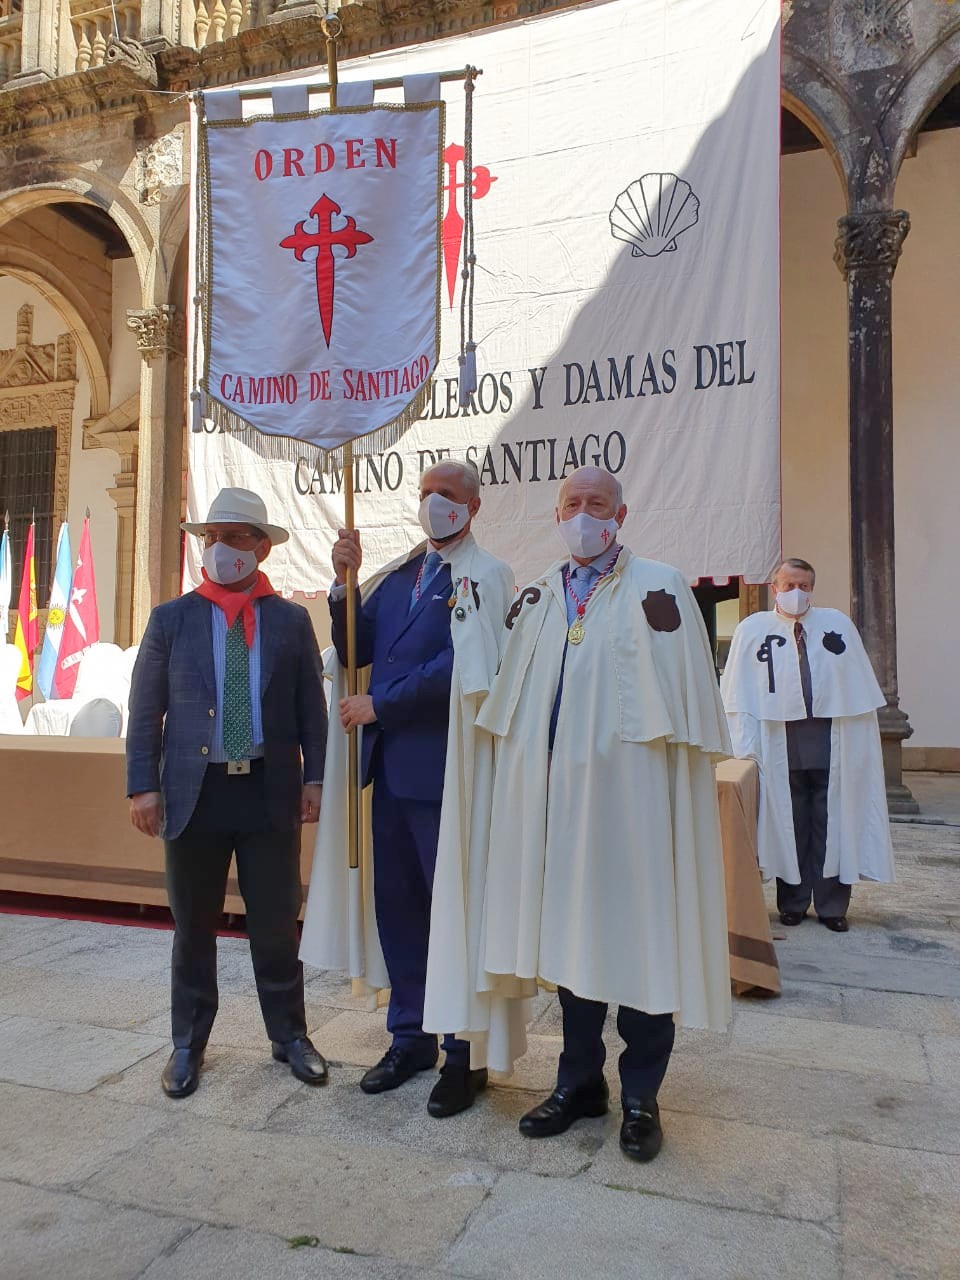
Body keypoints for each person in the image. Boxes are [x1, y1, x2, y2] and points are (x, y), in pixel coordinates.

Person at [474, 467, 732, 1163]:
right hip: (560, 803)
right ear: (556, 514)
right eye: (572, 504)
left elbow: (685, 695)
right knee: (574, 939)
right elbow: (515, 699)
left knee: (641, 938)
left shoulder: (659, 586)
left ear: (622, 513)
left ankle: (642, 1097)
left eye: (597, 503)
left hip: (636, 803)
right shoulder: (538, 594)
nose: (583, 515)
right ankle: (578, 1083)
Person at [301, 460, 520, 1117]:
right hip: (391, 772)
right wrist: (343, 584)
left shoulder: (486, 576)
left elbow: (465, 662)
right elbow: (357, 646)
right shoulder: (400, 576)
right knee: (398, 908)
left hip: (450, 769)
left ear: (472, 507)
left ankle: (462, 1053)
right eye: (425, 493)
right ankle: (410, 1037)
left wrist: (382, 703)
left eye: (445, 495)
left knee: (453, 910)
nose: (432, 504)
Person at [126, 488, 328, 1100]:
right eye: (211, 537)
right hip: (195, 793)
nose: (220, 548)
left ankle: (289, 1035)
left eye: (235, 537)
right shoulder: (171, 619)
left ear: (261, 547)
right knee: (194, 925)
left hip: (268, 790)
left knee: (275, 923)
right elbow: (145, 710)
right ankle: (188, 1043)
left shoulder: (290, 621)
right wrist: (142, 786)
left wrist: (315, 779)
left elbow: (312, 711)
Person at [720, 557, 894, 932]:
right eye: (788, 585)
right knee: (789, 822)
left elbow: (855, 686)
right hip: (779, 742)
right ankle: (793, 903)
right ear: (774, 588)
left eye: (803, 586)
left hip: (830, 739)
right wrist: (743, 745)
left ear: (812, 588)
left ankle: (832, 907)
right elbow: (738, 692)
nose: (796, 592)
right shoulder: (753, 629)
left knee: (833, 823)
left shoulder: (836, 624)